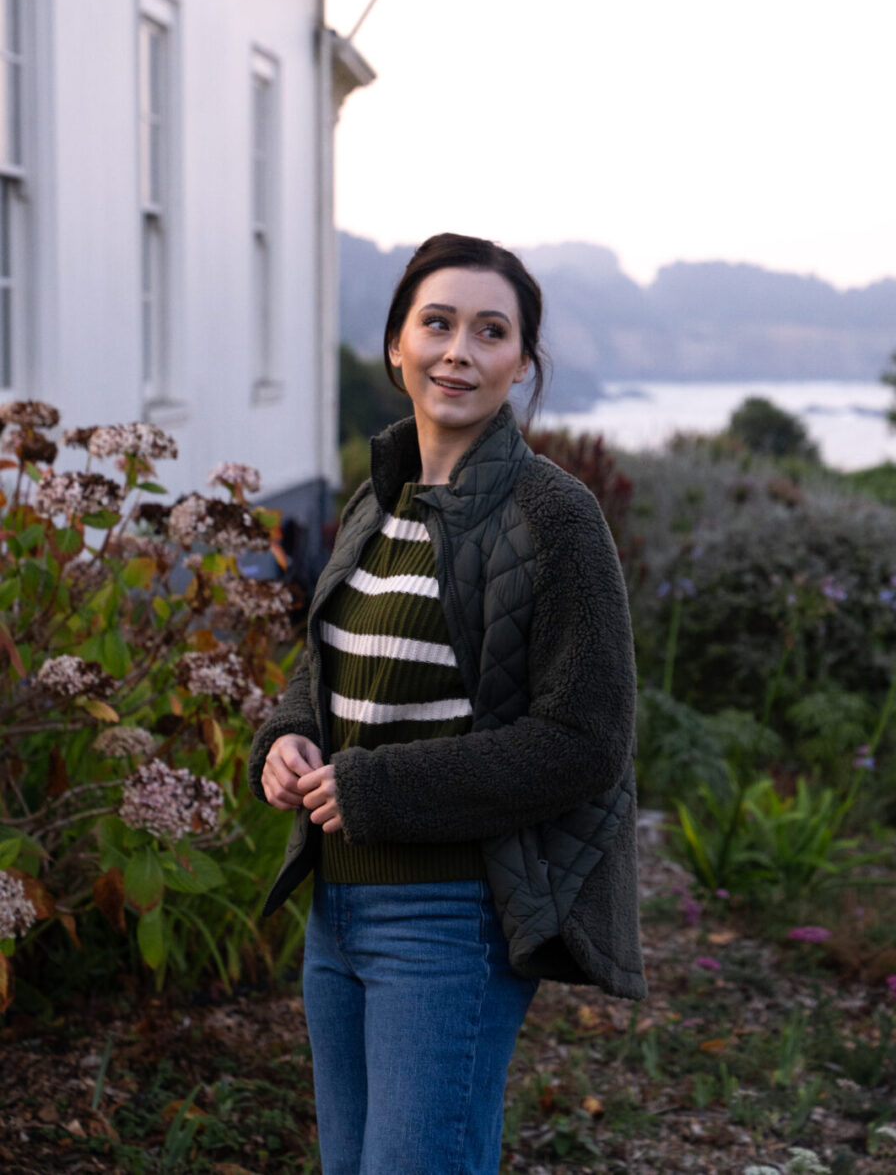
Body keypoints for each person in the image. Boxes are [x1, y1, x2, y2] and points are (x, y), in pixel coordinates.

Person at [248, 232, 644, 1175]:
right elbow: (328, 658)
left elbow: (586, 740)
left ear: (520, 364)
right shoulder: (377, 499)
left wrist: (383, 791)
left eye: (490, 331)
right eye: (438, 323)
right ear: (396, 345)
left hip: (450, 920)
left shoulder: (555, 517)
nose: (458, 350)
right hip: (336, 908)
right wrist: (287, 733)